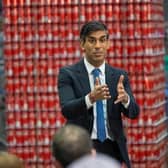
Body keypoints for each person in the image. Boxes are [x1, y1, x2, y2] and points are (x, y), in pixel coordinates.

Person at [58, 20, 140, 168]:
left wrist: (126, 99)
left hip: (112, 146)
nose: (97, 46)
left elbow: (134, 113)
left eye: (102, 40)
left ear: (108, 44)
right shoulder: (68, 74)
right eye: (92, 41)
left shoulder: (119, 76)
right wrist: (91, 98)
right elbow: (67, 110)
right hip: (81, 147)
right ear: (82, 44)